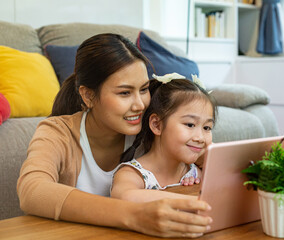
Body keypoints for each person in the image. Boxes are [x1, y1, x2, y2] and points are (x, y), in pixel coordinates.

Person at [17, 33, 212, 238]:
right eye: (124, 93)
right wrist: (134, 215)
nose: (140, 105)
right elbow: (33, 191)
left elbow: (207, 154)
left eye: (144, 89)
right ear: (88, 95)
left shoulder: (150, 125)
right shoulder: (57, 133)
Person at [111, 74, 217, 202]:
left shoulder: (195, 173)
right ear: (157, 125)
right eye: (190, 124)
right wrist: (191, 198)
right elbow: (124, 196)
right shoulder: (133, 174)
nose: (200, 138)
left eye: (207, 128)